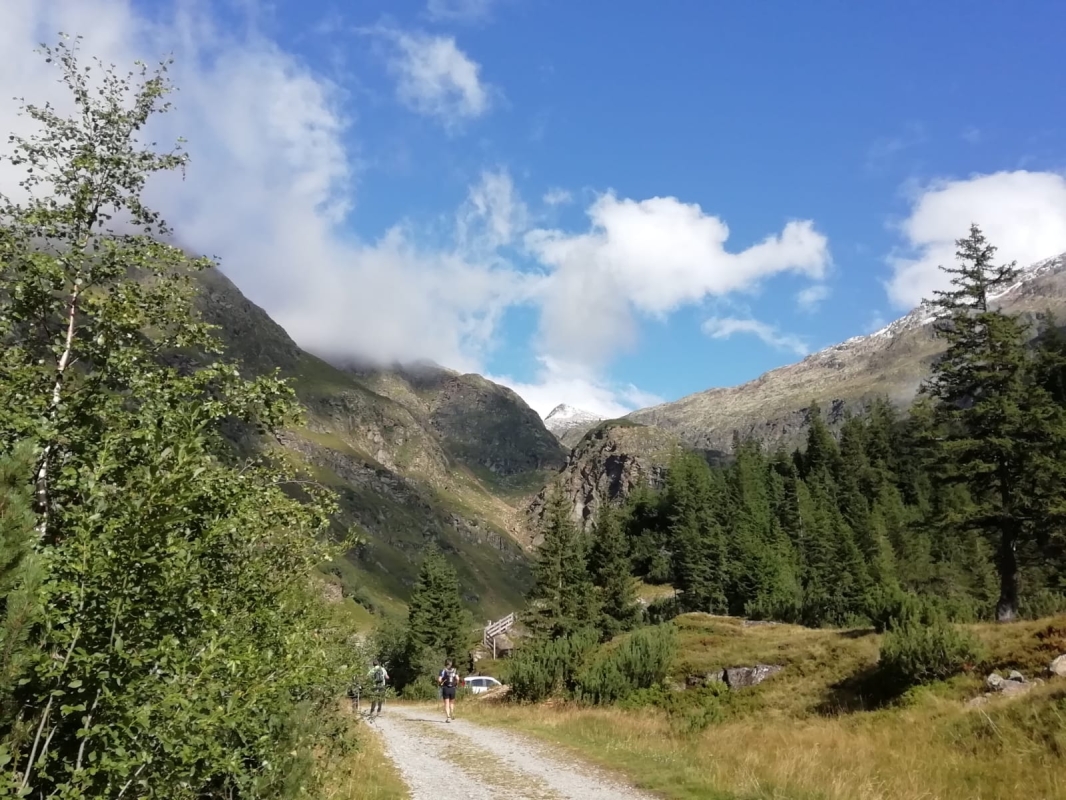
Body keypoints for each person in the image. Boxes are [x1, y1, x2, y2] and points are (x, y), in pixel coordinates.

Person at [438, 658, 460, 722]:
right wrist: (456, 684)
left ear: (445, 663)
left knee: (446, 703)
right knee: (452, 702)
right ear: (451, 663)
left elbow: (439, 679)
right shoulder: (455, 670)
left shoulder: (442, 670)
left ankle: (448, 717)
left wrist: (441, 683)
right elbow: (457, 679)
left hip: (445, 688)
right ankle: (452, 713)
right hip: (452, 688)